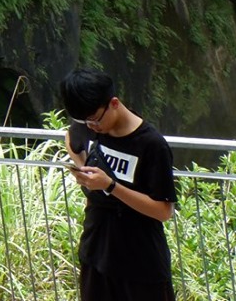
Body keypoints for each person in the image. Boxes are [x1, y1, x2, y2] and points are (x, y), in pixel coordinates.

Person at [61, 68, 178, 301]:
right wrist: (84, 170)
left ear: (114, 103)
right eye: (84, 122)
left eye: (94, 120)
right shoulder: (91, 125)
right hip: (96, 254)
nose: (91, 126)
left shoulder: (151, 144)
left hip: (140, 264)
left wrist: (110, 186)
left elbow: (164, 211)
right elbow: (71, 140)